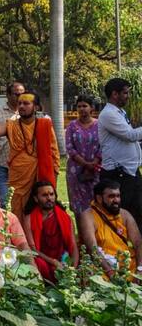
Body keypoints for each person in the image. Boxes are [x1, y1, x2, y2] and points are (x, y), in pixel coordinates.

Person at [0, 92, 60, 220]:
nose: (21, 106)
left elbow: (54, 154)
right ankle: (20, 238)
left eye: (26, 103)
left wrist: (53, 178)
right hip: (19, 177)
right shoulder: (10, 125)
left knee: (42, 212)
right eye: (20, 103)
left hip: (41, 175)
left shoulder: (44, 125)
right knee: (18, 211)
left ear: (36, 107)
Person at [97, 78, 142, 228]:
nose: (128, 96)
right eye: (125, 93)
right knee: (120, 215)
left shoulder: (120, 112)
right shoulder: (108, 114)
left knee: (138, 213)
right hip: (118, 174)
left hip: (129, 171)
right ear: (114, 94)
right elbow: (130, 135)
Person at [79, 179, 142, 278]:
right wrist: (110, 272)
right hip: (102, 265)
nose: (116, 200)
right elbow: (92, 249)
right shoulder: (88, 216)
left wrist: (140, 269)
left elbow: (138, 243)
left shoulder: (125, 214)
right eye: (111, 196)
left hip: (127, 264)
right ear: (99, 198)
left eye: (118, 196)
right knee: (90, 273)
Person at [22, 181, 79, 283]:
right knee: (37, 263)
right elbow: (32, 249)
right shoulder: (29, 218)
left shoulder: (65, 218)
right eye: (44, 195)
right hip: (44, 261)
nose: (49, 198)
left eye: (51, 194)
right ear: (36, 198)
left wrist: (73, 269)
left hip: (64, 260)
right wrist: (53, 262)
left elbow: (73, 245)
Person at [65, 95, 101, 224]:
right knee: (78, 205)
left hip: (96, 170)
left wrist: (95, 162)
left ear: (91, 108)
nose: (82, 109)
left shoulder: (99, 125)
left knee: (96, 202)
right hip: (76, 172)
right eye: (79, 106)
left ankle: (97, 235)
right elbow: (69, 147)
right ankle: (82, 237)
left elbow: (103, 146)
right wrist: (85, 164)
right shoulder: (72, 126)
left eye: (85, 106)